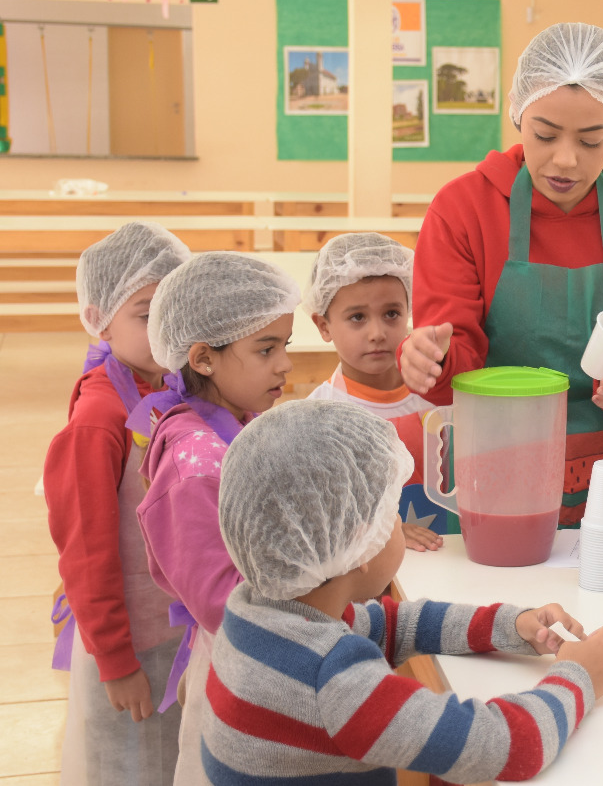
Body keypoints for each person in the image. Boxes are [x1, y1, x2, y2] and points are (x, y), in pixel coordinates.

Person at [203, 399, 603, 783]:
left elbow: (397, 624)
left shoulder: (256, 611)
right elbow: (507, 747)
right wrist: (581, 676)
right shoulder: (334, 682)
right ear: (359, 544)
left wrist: (509, 625)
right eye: (390, 513)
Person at [400, 22, 603, 527]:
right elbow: (457, 362)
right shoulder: (465, 209)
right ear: (517, 111)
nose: (565, 159)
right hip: (497, 476)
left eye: (591, 139)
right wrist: (432, 361)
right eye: (544, 134)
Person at [127, 251, 299, 784]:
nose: (286, 364)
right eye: (266, 349)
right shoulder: (195, 464)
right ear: (202, 358)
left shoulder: (236, 425)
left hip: (263, 650)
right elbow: (223, 604)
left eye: (285, 346)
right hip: (242, 662)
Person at [44, 222, 189, 785]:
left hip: (169, 630)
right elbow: (86, 552)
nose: (165, 329)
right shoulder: (99, 420)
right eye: (146, 312)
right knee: (131, 769)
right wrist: (116, 661)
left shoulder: (165, 388)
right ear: (99, 316)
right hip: (131, 646)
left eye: (175, 308)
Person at [304, 232, 445, 547]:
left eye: (392, 314)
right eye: (357, 318)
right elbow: (319, 516)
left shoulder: (435, 390)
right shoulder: (317, 417)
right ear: (323, 326)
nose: (377, 333)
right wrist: (382, 531)